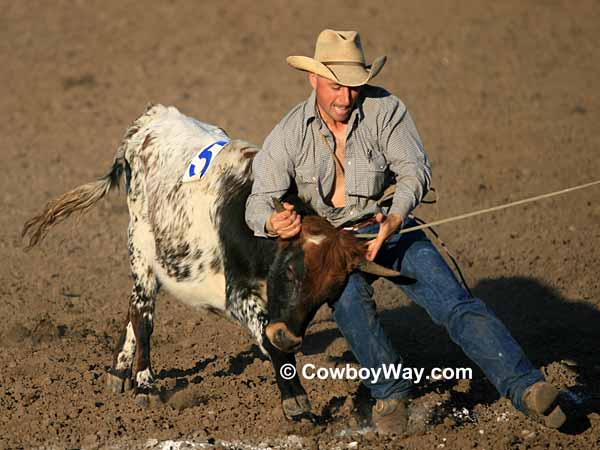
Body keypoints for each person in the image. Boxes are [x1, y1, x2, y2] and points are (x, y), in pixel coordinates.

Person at [245, 29, 567, 434]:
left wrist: (395, 218)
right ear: (313, 80)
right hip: (337, 245)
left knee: (454, 301)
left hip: (391, 226)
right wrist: (271, 221)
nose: (345, 98)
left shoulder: (387, 110)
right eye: (335, 87)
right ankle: (391, 393)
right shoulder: (289, 134)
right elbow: (257, 202)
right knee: (350, 311)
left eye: (353, 88)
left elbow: (415, 171)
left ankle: (527, 386)